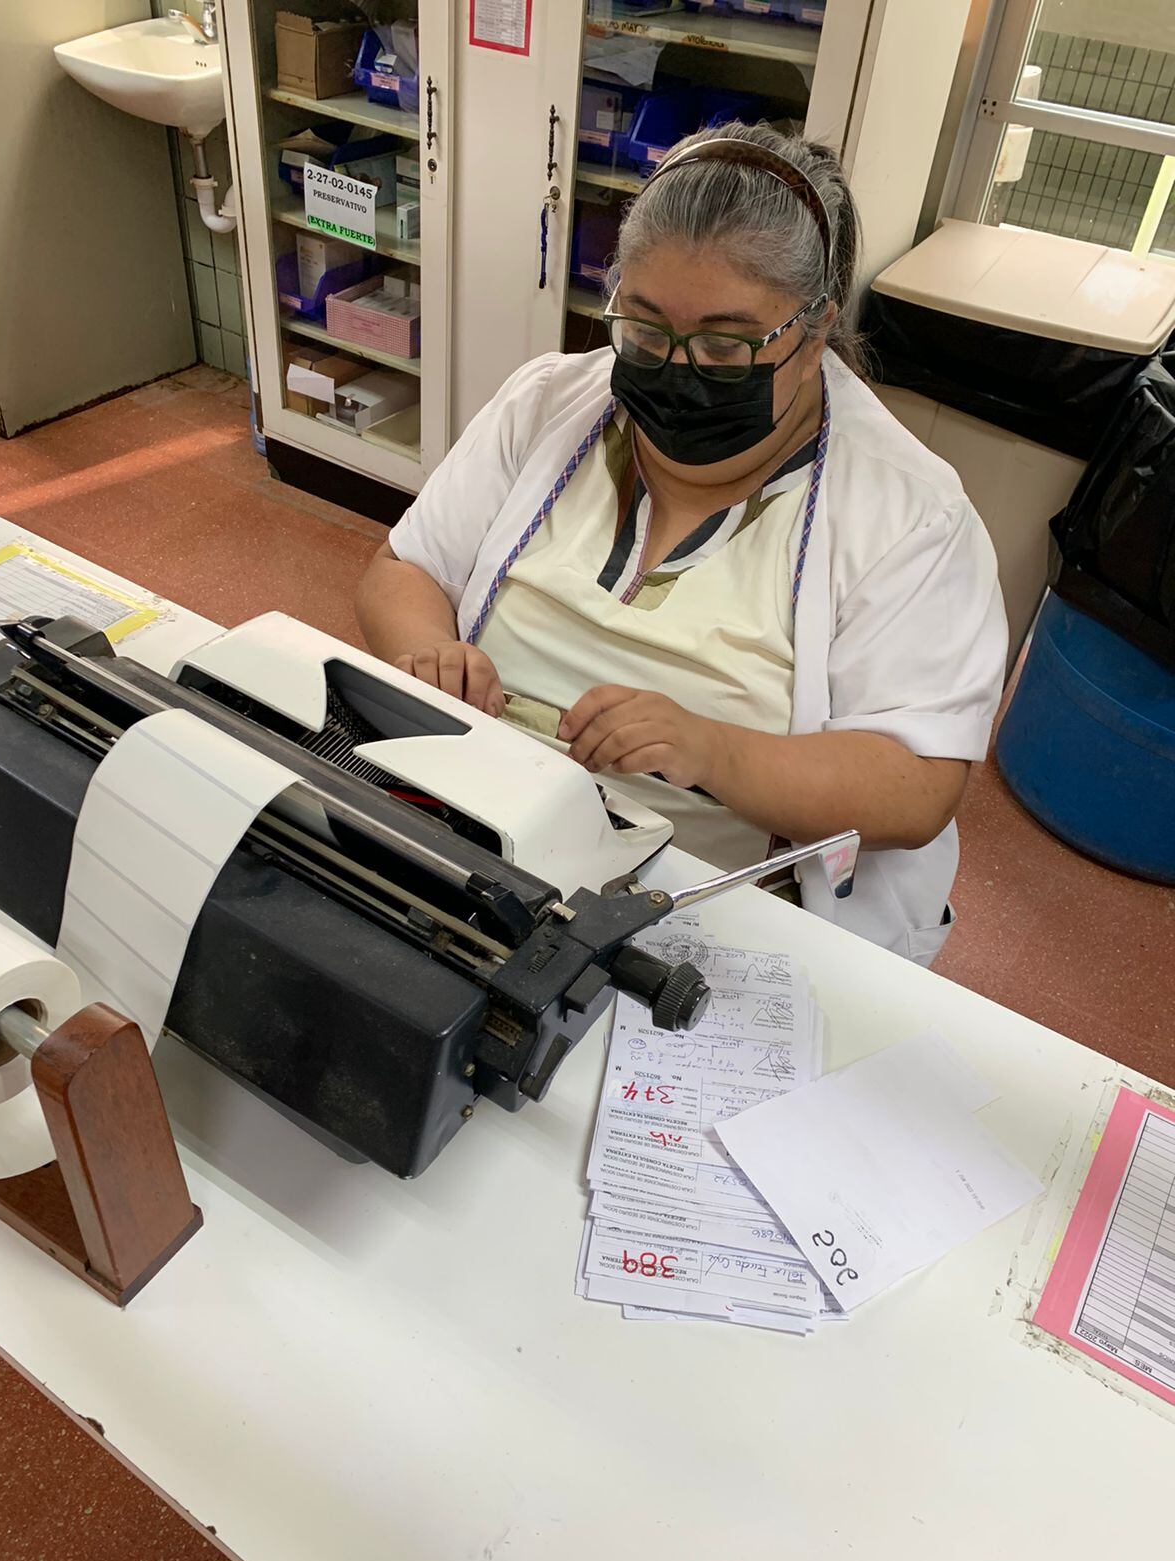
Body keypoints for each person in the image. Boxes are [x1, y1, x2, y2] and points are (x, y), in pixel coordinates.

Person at [357, 124, 1007, 965]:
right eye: (647, 327)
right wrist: (431, 657)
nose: (676, 367)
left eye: (725, 345)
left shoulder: (910, 515)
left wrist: (711, 751)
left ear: (814, 334)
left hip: (705, 919)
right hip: (482, 842)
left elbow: (917, 786)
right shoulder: (551, 404)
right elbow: (405, 568)